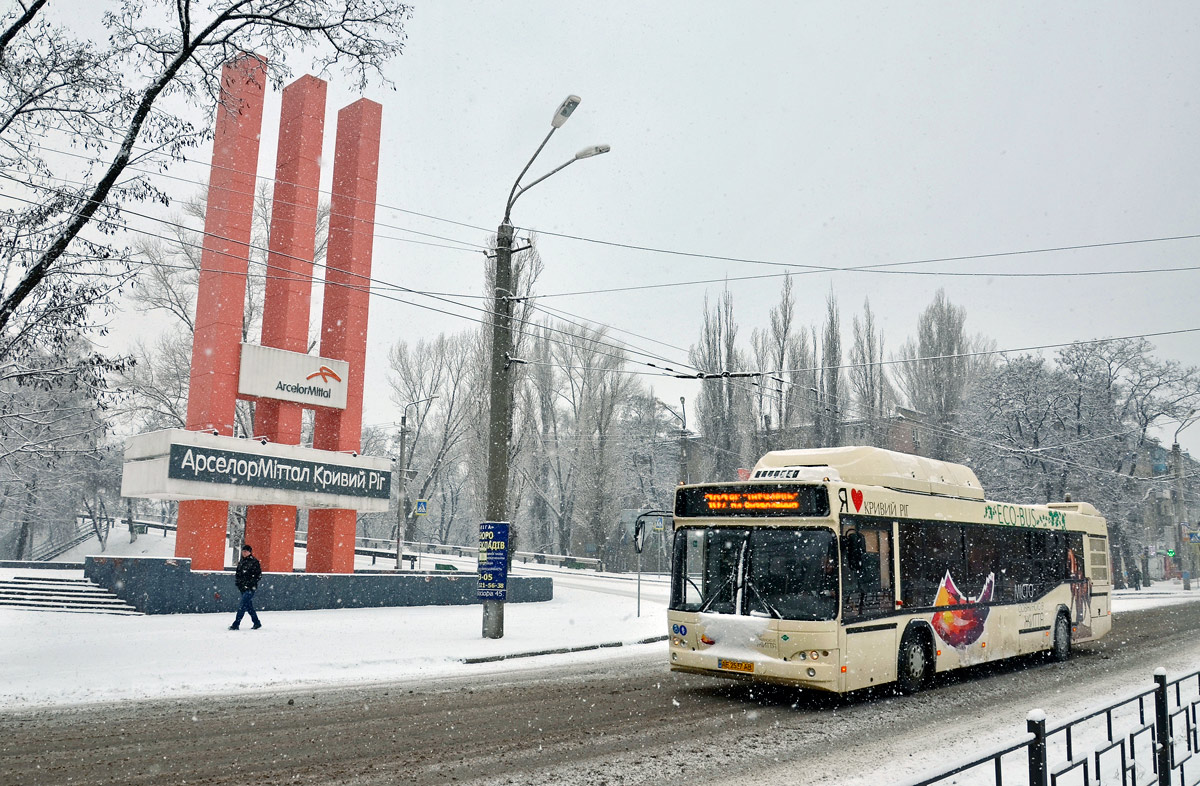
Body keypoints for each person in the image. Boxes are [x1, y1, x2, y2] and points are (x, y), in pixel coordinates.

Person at [230, 544, 262, 630]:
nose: (244, 553)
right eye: (243, 551)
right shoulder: (242, 562)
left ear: (250, 552)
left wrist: (249, 583)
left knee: (242, 605)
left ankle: (236, 623)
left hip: (250, 588)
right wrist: (239, 583)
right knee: (248, 606)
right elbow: (238, 574)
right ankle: (256, 622)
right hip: (242, 588)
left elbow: (258, 576)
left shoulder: (254, 562)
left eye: (246, 551)